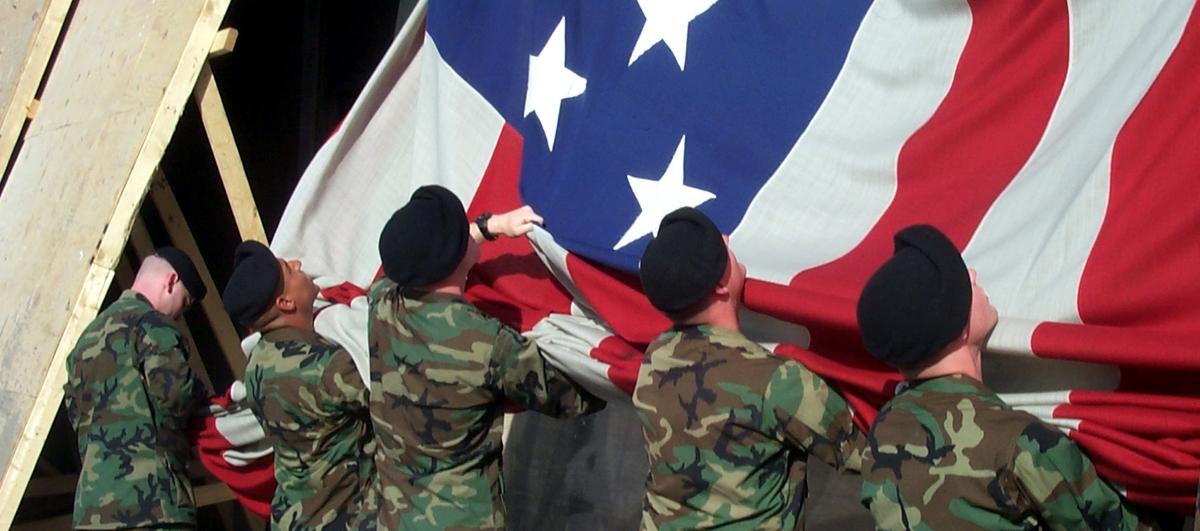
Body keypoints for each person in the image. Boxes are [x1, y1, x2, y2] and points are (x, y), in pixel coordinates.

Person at [856, 224, 1158, 530]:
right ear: (959, 328)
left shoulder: (884, 429)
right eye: (963, 281)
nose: (973, 275)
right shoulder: (1023, 443)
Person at [369, 185, 607, 529]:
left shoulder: (383, 304)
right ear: (454, 252)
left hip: (396, 518)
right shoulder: (487, 343)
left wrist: (489, 228)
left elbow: (415, 260)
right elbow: (571, 398)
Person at [633, 207, 864, 529]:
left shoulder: (655, 358)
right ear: (720, 287)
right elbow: (865, 455)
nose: (728, 240)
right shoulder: (776, 381)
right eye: (721, 247)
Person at [222, 240, 375, 530]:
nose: (298, 264)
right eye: (288, 270)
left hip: (293, 518)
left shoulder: (257, 363)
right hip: (343, 517)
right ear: (286, 303)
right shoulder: (325, 368)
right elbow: (400, 392)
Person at [63, 247, 209, 529]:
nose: (179, 315)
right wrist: (199, 393)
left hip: (94, 511)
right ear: (171, 281)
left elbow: (76, 417)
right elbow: (175, 397)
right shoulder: (154, 326)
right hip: (151, 504)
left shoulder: (85, 341)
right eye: (184, 302)